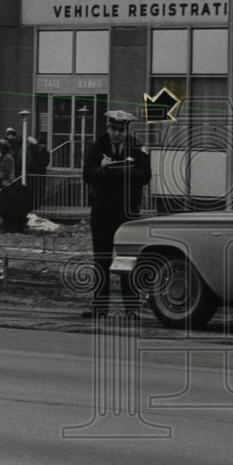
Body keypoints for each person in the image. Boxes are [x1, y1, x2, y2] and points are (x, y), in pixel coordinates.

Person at [82, 110, 152, 317]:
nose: (116, 134)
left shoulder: (138, 148)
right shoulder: (96, 147)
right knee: (101, 260)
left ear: (126, 130)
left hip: (126, 213)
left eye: (120, 130)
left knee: (127, 260)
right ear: (108, 128)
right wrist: (104, 170)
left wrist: (126, 170)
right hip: (102, 211)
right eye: (113, 129)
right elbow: (87, 174)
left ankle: (131, 308)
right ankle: (99, 308)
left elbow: (145, 175)